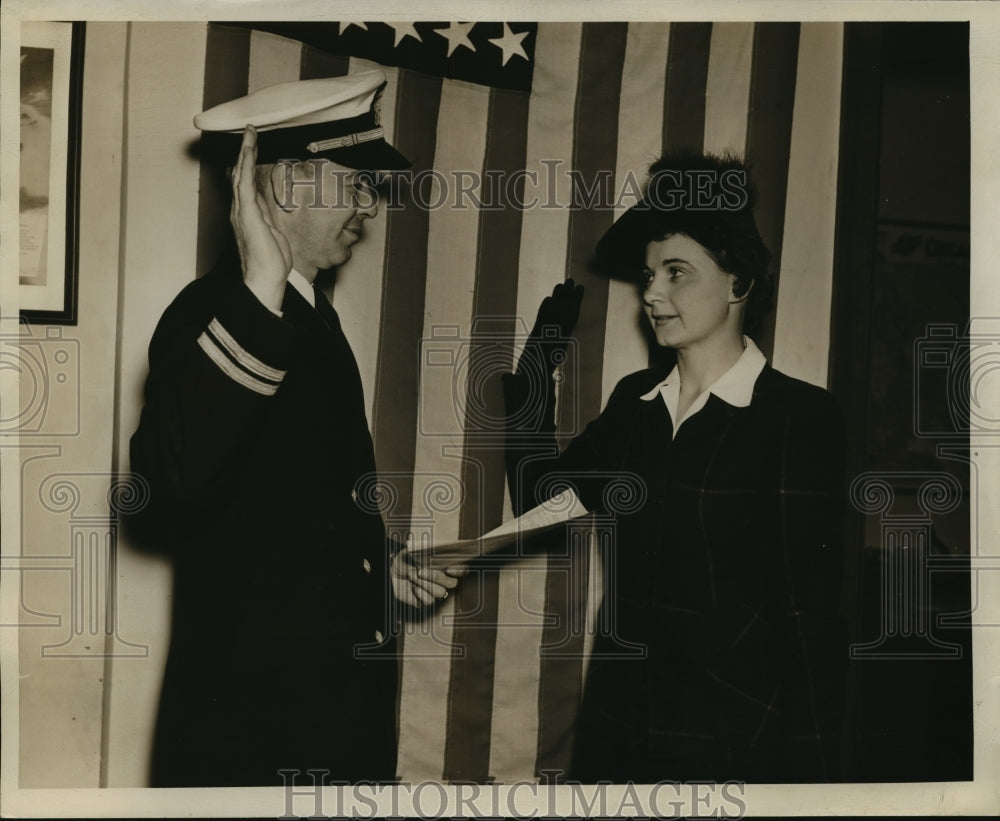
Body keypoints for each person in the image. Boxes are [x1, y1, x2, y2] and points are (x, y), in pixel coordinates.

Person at [128, 70, 463, 787]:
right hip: (252, 735)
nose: (370, 207)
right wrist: (257, 291)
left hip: (323, 718)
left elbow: (285, 499)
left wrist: (379, 565)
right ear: (286, 186)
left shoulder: (311, 316)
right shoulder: (219, 313)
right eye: (357, 183)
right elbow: (165, 487)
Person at [503, 152, 848, 783]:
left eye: (677, 273)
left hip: (735, 746)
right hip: (617, 737)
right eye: (649, 275)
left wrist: (816, 781)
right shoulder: (636, 405)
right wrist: (533, 377)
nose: (653, 294)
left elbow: (811, 621)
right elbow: (538, 496)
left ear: (738, 282)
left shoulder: (801, 419)